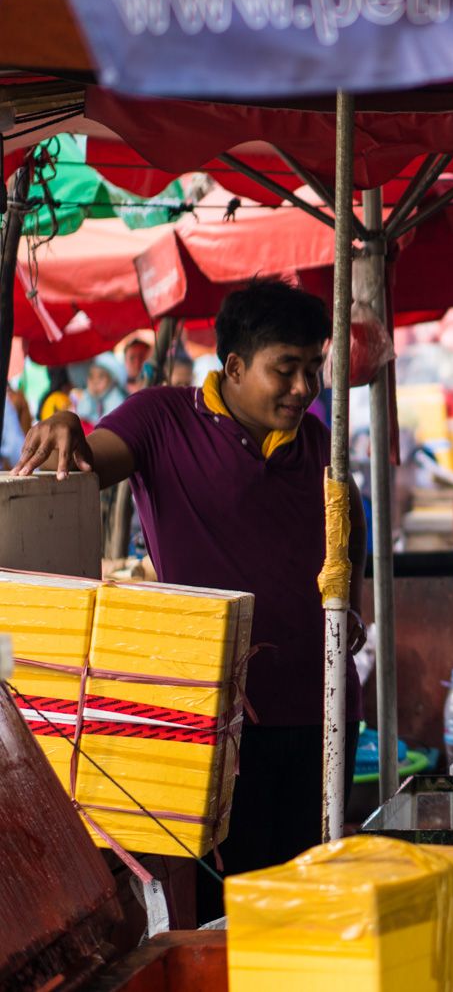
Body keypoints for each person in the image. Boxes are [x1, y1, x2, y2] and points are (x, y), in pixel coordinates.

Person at [12, 280, 365, 922]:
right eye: (285, 370)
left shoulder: (321, 447)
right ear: (233, 366)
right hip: (214, 726)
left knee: (313, 907)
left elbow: (349, 545)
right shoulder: (163, 418)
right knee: (225, 913)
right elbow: (89, 464)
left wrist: (355, 610)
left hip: (324, 715)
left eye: (313, 368)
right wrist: (66, 424)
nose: (304, 388)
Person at [76, 353, 126, 428]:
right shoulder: (89, 394)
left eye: (101, 376)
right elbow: (81, 414)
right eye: (91, 376)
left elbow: (106, 425)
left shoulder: (116, 399)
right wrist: (89, 395)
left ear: (111, 380)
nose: (95, 381)